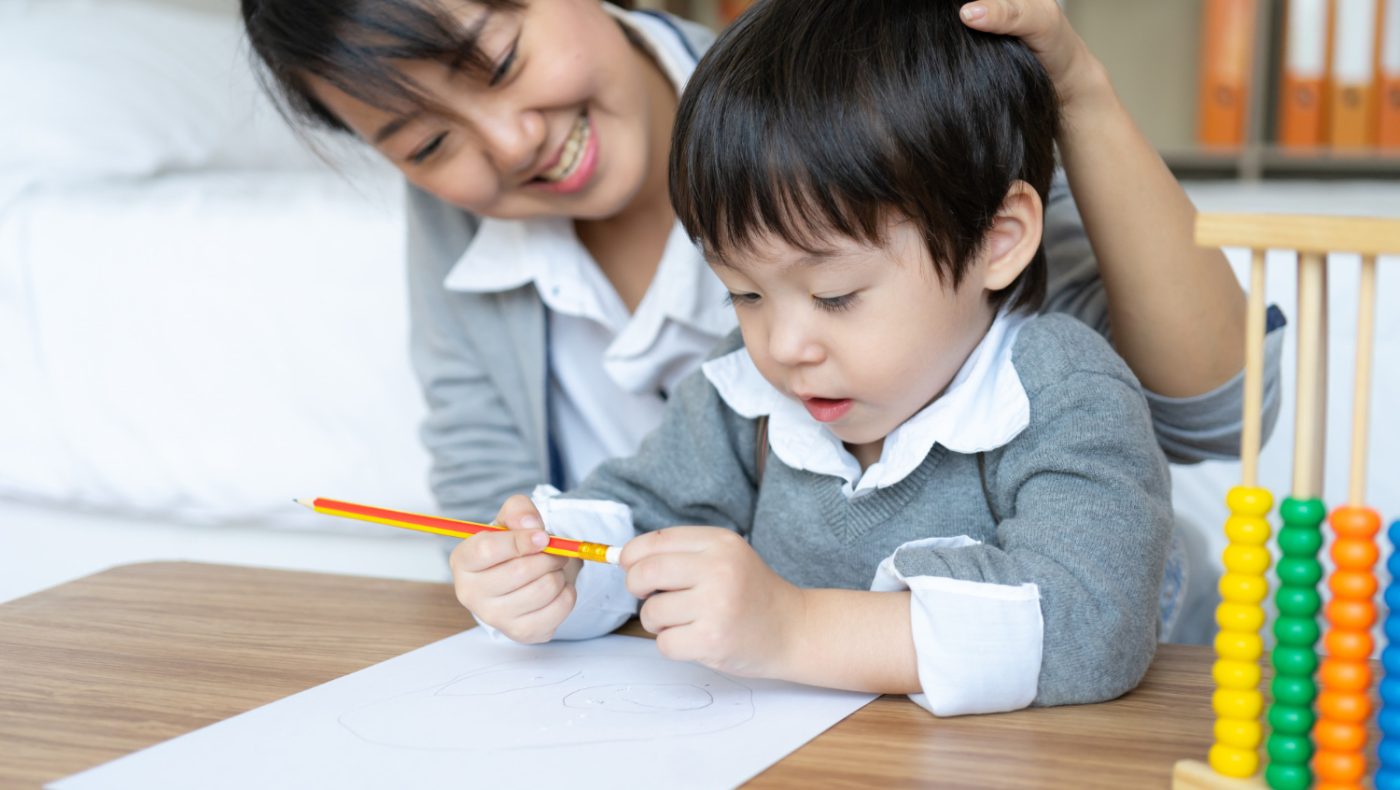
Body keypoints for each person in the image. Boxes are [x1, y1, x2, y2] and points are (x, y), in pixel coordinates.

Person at [240, 0, 1283, 523]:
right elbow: (486, 496)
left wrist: (1081, 93)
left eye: (503, 61)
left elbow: (1217, 416)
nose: (506, 144)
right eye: (424, 145)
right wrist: (519, 575)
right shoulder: (459, 217)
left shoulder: (852, 114)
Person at [452, 0, 1173, 715]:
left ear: (998, 239)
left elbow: (1091, 626)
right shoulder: (748, 393)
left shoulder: (1062, 392)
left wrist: (793, 628)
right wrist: (557, 567)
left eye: (835, 296)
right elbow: (640, 515)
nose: (784, 347)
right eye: (744, 294)